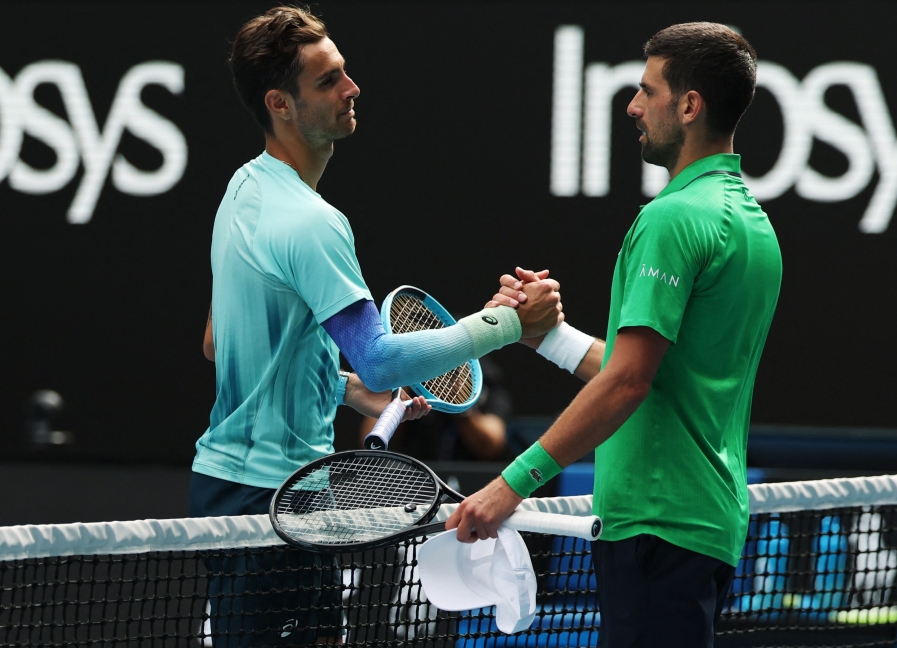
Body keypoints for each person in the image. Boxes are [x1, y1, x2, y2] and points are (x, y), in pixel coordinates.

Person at [192, 7, 563, 645]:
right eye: (328, 80)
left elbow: (220, 343)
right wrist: (505, 324)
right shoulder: (312, 223)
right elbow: (383, 361)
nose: (352, 87)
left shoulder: (243, 190)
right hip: (274, 502)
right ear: (281, 103)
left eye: (345, 72)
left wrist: (341, 391)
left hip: (228, 485)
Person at [447, 23, 782, 648]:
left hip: (656, 526)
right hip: (701, 523)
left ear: (689, 105)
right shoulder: (750, 224)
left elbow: (629, 381)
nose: (632, 105)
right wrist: (547, 337)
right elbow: (654, 377)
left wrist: (509, 485)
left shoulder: (672, 218)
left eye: (646, 90)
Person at [357, 356, 513, 461]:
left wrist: (460, 406)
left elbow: (492, 445)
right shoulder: (406, 385)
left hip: (470, 486)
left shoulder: (486, 387)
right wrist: (405, 384)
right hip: (412, 480)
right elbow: (371, 440)